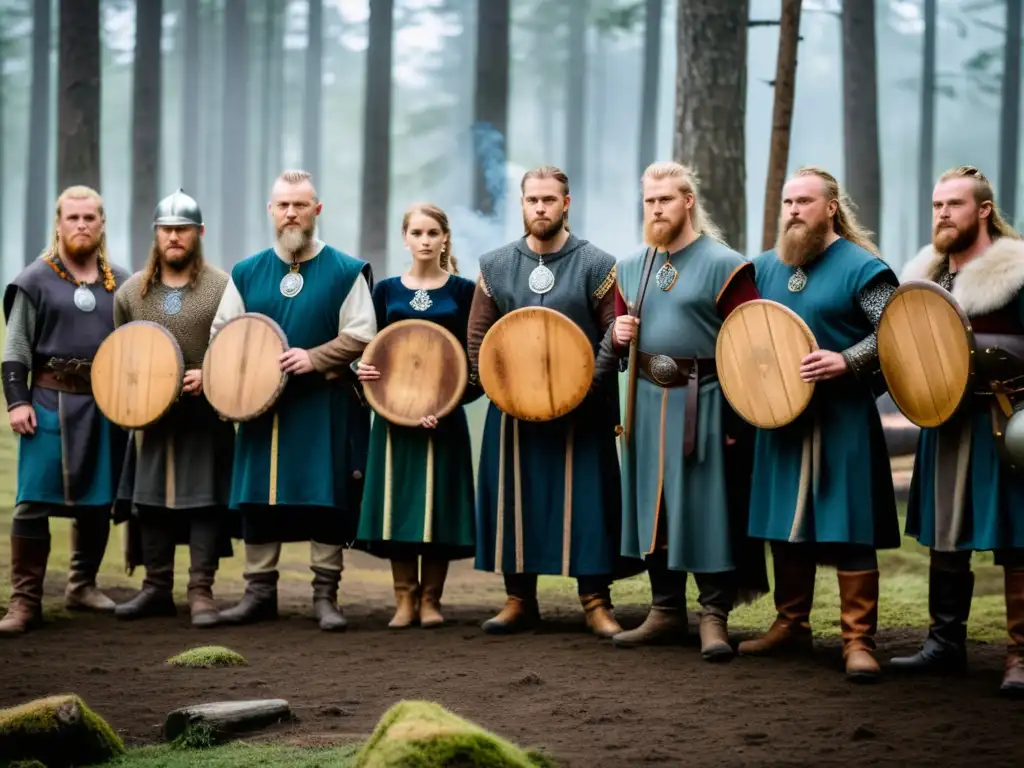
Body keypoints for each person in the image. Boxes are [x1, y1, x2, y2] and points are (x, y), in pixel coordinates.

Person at [737, 166, 900, 681]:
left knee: (850, 527)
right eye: (788, 203)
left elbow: (897, 335)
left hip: (842, 417)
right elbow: (742, 339)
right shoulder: (762, 269)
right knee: (785, 526)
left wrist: (846, 361)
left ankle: (858, 641)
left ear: (831, 207)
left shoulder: (863, 268)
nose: (793, 212)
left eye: (804, 202)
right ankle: (791, 625)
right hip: (779, 419)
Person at [603, 161, 767, 660]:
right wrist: (616, 334)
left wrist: (740, 418)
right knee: (656, 507)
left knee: (706, 505)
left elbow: (752, 344)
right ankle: (665, 611)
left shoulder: (726, 265)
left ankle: (713, 617)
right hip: (647, 399)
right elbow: (615, 344)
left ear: (688, 201)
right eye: (649, 201)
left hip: (708, 401)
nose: (656, 209)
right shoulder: (631, 267)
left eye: (665, 200)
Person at [468, 165, 635, 638]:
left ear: (566, 204)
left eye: (549, 199)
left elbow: (612, 335)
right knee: (517, 501)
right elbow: (479, 338)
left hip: (584, 410)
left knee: (588, 502)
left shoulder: (597, 263)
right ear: (521, 205)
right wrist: (502, 388)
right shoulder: (496, 265)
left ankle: (596, 602)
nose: (540, 207)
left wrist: (583, 388)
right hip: (514, 410)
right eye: (531, 200)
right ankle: (519, 600)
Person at [211, 170, 376, 631]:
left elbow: (363, 334)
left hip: (324, 404)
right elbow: (223, 333)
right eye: (282, 205)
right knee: (260, 501)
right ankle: (258, 593)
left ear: (316, 210)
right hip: (260, 408)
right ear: (271, 210)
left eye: (300, 205)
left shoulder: (345, 270)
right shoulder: (247, 271)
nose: (290, 213)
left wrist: (316, 356)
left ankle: (325, 598)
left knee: (324, 498)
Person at [891, 165, 1024, 696]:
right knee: (946, 537)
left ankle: (1020, 653)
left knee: (1017, 540)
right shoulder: (925, 278)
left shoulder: (1016, 273)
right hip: (943, 419)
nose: (942, 214)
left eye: (954, 204)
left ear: (984, 210)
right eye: (937, 205)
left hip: (1005, 420)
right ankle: (944, 644)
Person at [0, 185, 131, 636]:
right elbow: (15, 347)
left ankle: (82, 585)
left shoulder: (121, 282)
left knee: (97, 502)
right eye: (72, 218)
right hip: (47, 403)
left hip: (103, 405)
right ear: (58, 224)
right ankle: (25, 602)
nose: (81, 225)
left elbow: (138, 348)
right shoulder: (35, 280)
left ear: (101, 224)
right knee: (32, 503)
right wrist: (17, 401)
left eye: (89, 217)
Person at [110, 189, 236, 628]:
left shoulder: (222, 287)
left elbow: (237, 348)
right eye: (167, 229)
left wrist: (209, 375)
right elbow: (119, 356)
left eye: (183, 229)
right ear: (156, 235)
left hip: (205, 414)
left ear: (198, 233)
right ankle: (155, 587)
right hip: (151, 419)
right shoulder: (130, 293)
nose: (174, 237)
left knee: (203, 502)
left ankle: (201, 591)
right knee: (151, 501)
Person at [355, 203, 481, 629]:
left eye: (433, 233)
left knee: (439, 507)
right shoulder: (386, 291)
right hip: (393, 419)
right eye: (417, 233)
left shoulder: (464, 292)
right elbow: (368, 351)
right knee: (399, 506)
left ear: (445, 238)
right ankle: (404, 599)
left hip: (444, 418)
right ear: (405, 238)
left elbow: (473, 360)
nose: (425, 241)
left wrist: (447, 405)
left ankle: (431, 600)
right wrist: (364, 371)